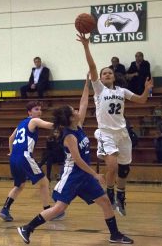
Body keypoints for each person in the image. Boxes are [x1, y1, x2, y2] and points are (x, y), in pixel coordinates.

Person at [16, 75, 133, 245]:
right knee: (59, 208)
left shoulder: (77, 126)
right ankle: (27, 228)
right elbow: (77, 160)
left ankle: (115, 234)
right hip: (73, 175)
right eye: (75, 111)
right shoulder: (69, 136)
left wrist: (87, 84)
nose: (78, 112)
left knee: (105, 202)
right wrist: (95, 175)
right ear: (71, 118)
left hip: (84, 177)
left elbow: (84, 103)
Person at [78, 33, 153, 217]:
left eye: (110, 72)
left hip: (122, 133)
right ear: (101, 78)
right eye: (105, 73)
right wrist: (87, 46)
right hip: (106, 133)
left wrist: (147, 89)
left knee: (124, 169)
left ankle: (121, 196)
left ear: (114, 76)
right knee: (112, 166)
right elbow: (93, 66)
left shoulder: (122, 91)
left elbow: (142, 101)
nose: (107, 74)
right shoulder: (98, 89)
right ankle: (110, 193)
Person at [0, 101, 63, 222]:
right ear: (29, 112)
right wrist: (63, 122)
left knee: (19, 185)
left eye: (40, 109)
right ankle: (47, 211)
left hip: (14, 158)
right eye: (36, 109)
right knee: (44, 182)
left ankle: (5, 209)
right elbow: (49, 125)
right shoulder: (34, 120)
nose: (39, 112)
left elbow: (11, 138)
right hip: (24, 157)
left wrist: (12, 151)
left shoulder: (21, 123)